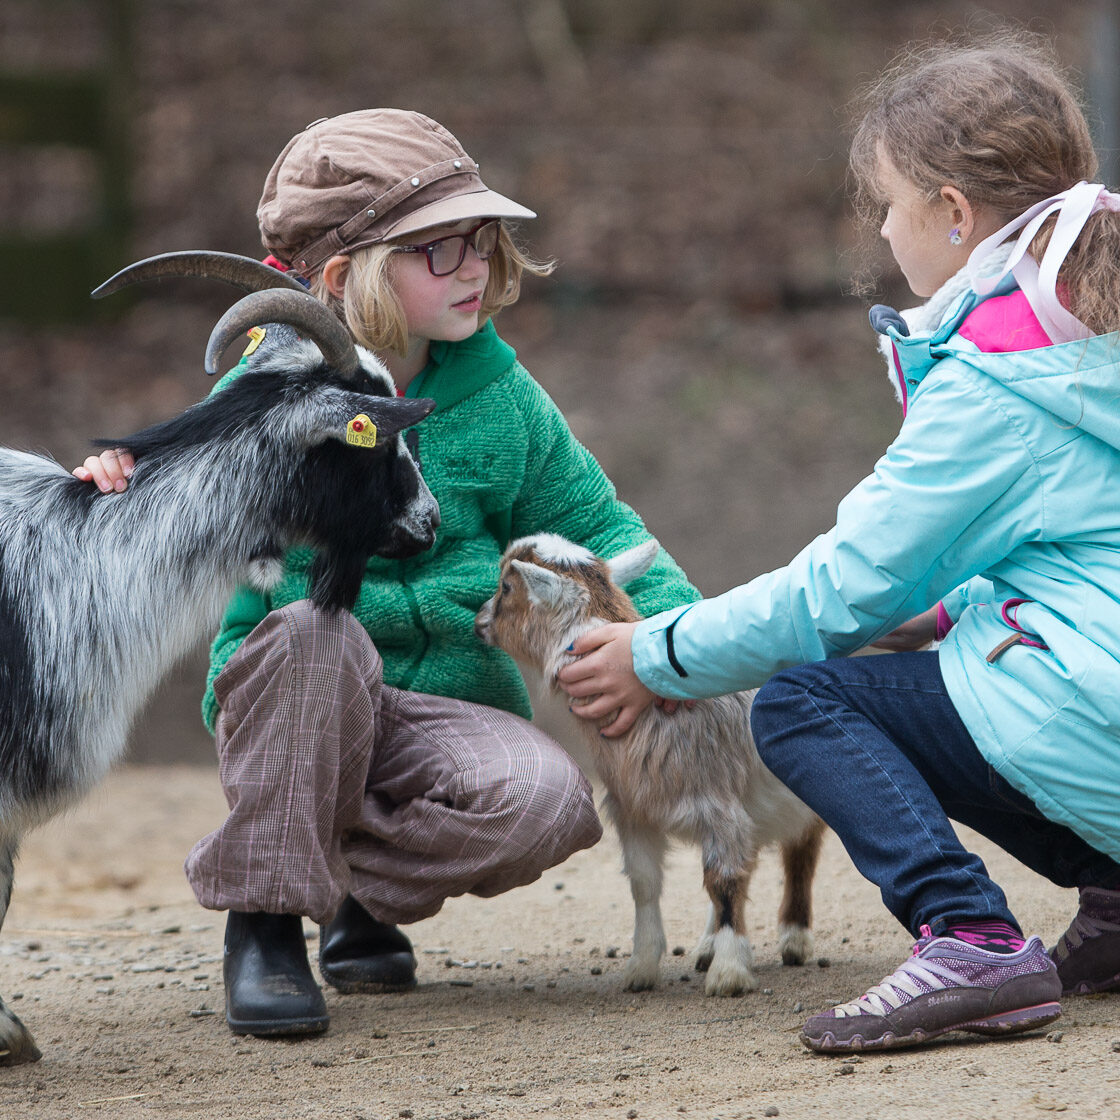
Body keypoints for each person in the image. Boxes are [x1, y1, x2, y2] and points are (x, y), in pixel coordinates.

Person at [75, 109, 699, 1037]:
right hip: (296, 693)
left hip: (444, 712)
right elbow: (168, 505)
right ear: (343, 274)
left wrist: (689, 645)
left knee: (551, 806)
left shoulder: (503, 397)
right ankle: (265, 922)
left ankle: (344, 891)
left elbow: (600, 530)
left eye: (481, 241)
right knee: (315, 631)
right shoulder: (269, 400)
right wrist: (113, 486)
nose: (475, 267)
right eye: (439, 249)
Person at [558, 31, 1120, 1054]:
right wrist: (940, 615)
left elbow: (837, 592)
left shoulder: (999, 383)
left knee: (804, 699)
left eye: (888, 204)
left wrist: (655, 653)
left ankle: (972, 940)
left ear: (953, 213)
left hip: (1101, 713)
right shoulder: (1087, 336)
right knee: (945, 664)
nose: (884, 230)